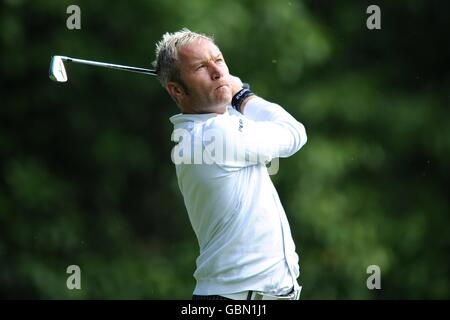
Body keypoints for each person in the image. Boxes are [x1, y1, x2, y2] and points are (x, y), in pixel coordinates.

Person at [153, 28, 307, 300]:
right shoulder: (214, 136)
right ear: (176, 90)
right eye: (201, 67)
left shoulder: (211, 127)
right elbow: (294, 133)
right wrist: (242, 95)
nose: (217, 71)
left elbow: (233, 116)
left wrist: (231, 96)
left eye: (218, 60)